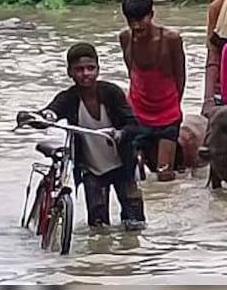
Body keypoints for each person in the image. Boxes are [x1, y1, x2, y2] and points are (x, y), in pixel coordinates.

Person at [17, 43, 146, 231]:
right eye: (79, 69)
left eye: (90, 68)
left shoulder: (112, 93)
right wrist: (39, 117)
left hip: (123, 166)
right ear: (70, 72)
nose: (86, 74)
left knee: (135, 224)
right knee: (98, 228)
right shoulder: (69, 98)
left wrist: (120, 134)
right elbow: (51, 112)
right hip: (92, 170)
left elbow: (133, 124)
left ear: (98, 69)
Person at [119, 0, 186, 182]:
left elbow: (180, 75)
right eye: (131, 20)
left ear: (152, 15)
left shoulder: (171, 39)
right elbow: (132, 72)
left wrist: (174, 106)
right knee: (132, 175)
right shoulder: (125, 38)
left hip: (168, 114)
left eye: (141, 19)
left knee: (164, 175)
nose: (136, 26)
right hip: (138, 113)